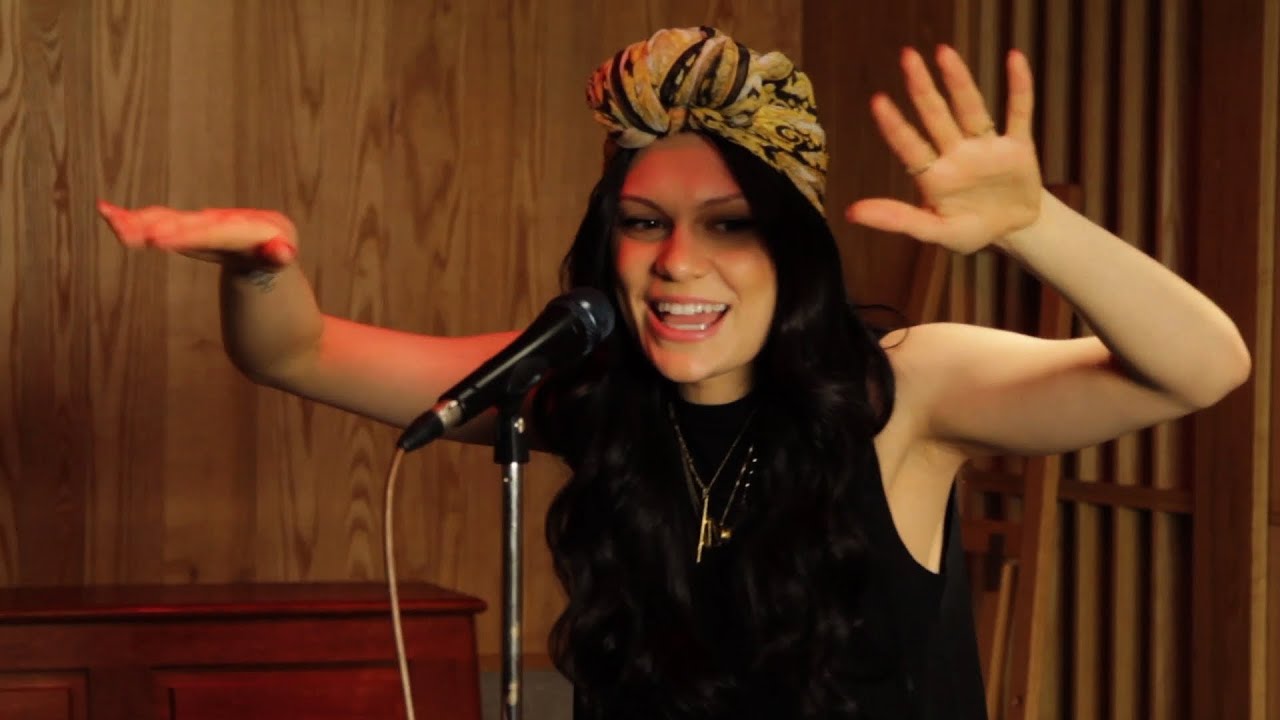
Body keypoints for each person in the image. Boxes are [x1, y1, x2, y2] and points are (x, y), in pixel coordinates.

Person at [98, 27, 1249, 720]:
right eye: (642, 223)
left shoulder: (904, 387)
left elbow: (1201, 368)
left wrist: (1038, 225)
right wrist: (259, 267)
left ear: (791, 251)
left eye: (728, 225)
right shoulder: (586, 386)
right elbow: (296, 350)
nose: (676, 263)